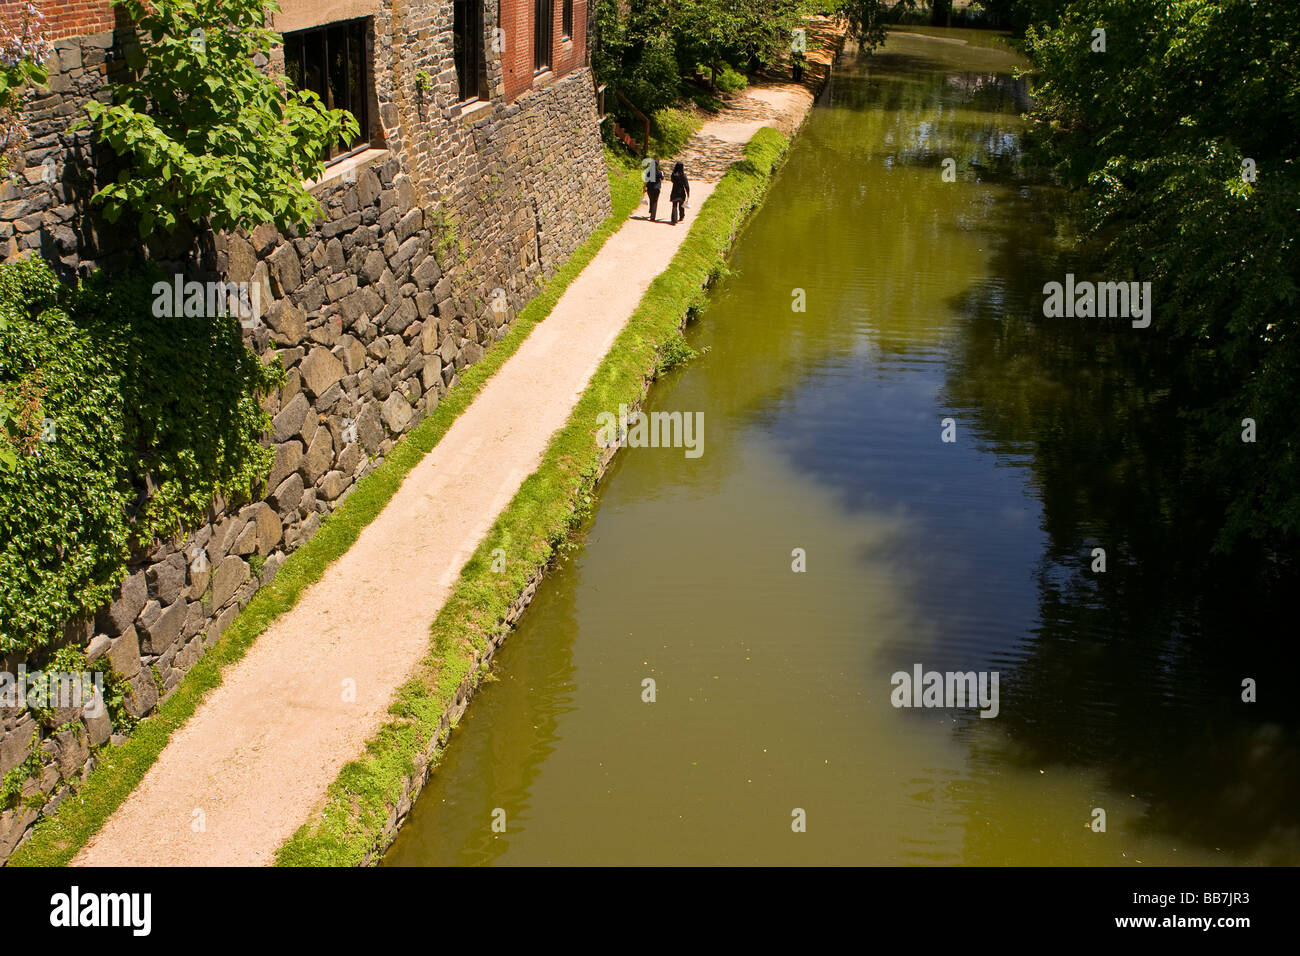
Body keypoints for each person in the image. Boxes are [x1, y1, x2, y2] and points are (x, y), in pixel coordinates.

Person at [669, 161, 690, 225]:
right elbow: (686, 185)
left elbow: (672, 181)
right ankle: (681, 218)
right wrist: (688, 193)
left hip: (674, 190)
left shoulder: (673, 174)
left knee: (674, 205)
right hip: (681, 191)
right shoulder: (683, 175)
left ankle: (674, 219)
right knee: (681, 206)